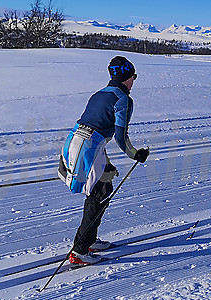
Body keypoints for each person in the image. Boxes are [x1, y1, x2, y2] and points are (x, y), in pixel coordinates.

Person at [58, 56, 150, 265]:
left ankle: (89, 241)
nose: (134, 81)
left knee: (104, 187)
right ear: (128, 77)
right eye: (133, 76)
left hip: (76, 140)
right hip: (89, 146)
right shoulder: (123, 99)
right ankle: (80, 250)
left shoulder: (99, 94)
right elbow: (120, 136)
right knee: (99, 193)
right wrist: (135, 154)